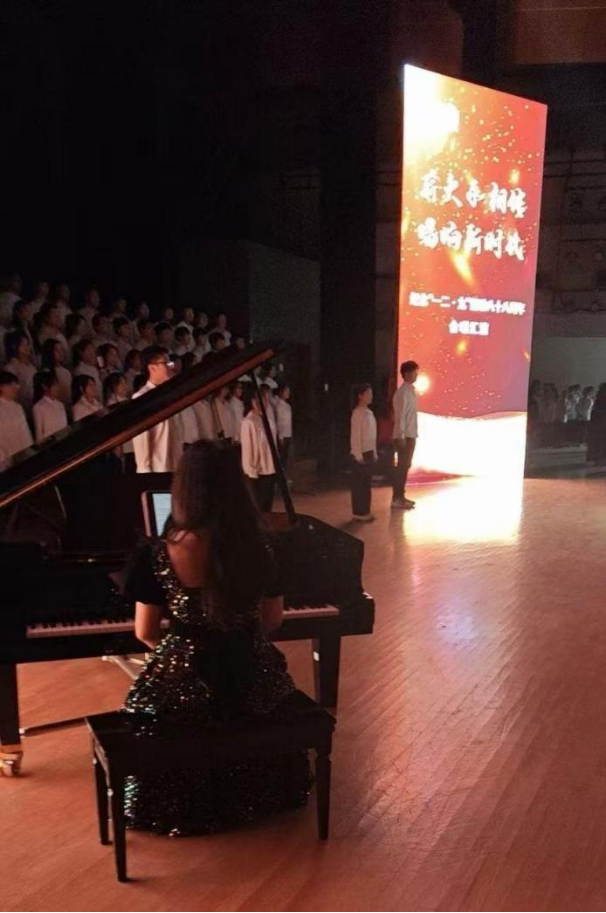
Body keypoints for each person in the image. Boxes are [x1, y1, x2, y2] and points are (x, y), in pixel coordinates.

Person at [122, 441, 310, 835]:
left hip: (185, 681)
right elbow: (272, 620)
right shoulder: (263, 547)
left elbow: (145, 632)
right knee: (267, 699)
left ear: (183, 488)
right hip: (251, 673)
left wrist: (179, 654)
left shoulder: (159, 552)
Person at [132, 346, 183, 472]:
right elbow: (141, 441)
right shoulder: (142, 397)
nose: (171, 367)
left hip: (175, 466)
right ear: (152, 368)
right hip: (158, 470)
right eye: (166, 364)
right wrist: (145, 474)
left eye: (171, 363)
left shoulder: (170, 394)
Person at [240, 391, 276, 512]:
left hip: (269, 468)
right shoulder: (248, 422)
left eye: (266, 400)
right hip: (257, 472)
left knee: (267, 506)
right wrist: (252, 472)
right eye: (261, 400)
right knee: (259, 507)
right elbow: (248, 450)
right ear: (253, 402)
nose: (265, 403)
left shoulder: (266, 419)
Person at [392, 359, 419, 510]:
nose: (416, 375)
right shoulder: (402, 393)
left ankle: (400, 497)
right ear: (407, 374)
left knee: (405, 466)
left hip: (410, 434)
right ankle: (397, 498)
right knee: (402, 467)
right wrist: (401, 436)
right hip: (405, 436)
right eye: (414, 372)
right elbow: (400, 417)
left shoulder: (410, 391)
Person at [350, 383, 377, 522]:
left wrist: (374, 452)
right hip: (361, 453)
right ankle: (359, 512)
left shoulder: (369, 413)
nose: (370, 396)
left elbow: (372, 435)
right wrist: (358, 454)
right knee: (359, 484)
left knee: (366, 484)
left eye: (371, 394)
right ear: (360, 396)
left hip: (369, 451)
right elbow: (355, 436)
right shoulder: (357, 413)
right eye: (368, 394)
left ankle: (366, 510)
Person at [0, 370, 33, 469]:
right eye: (11, 385)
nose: (16, 388)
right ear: (1, 387)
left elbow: (25, 432)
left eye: (16, 384)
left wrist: (29, 453)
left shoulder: (18, 407)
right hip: (5, 461)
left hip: (22, 456)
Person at [4, 330, 36, 411]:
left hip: (33, 408)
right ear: (14, 347)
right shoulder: (10, 368)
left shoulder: (32, 368)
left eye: (27, 344)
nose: (27, 347)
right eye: (23, 344)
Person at [32, 370, 68, 443]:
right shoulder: (38, 407)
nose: (57, 388)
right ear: (44, 386)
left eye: (57, 385)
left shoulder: (60, 405)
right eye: (54, 385)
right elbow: (39, 434)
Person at [40, 338, 72, 406]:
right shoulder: (46, 372)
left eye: (61, 350)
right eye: (57, 350)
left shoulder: (66, 372)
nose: (61, 353)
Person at [275, 383, 293, 470]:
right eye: (286, 391)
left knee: (285, 455)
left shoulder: (288, 406)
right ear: (281, 392)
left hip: (288, 433)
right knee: (282, 455)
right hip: (283, 435)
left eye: (289, 391)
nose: (288, 393)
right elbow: (279, 422)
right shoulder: (279, 406)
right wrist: (281, 437)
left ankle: (284, 469)